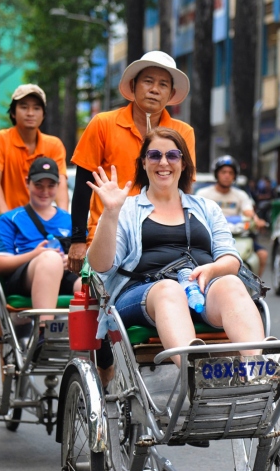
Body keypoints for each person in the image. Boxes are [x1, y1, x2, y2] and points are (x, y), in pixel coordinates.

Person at [86, 127, 265, 366]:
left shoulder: (207, 207)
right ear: (143, 163)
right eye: (154, 155)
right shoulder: (127, 209)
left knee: (231, 282)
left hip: (201, 290)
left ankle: (258, 368)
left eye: (172, 155)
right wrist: (109, 213)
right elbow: (101, 266)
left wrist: (211, 270)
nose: (163, 162)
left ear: (183, 163)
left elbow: (231, 259)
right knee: (168, 290)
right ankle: (193, 374)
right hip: (144, 294)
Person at [68, 51, 195, 273]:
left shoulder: (183, 132)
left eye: (163, 84)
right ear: (134, 85)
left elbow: (185, 189)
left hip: (161, 239)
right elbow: (82, 185)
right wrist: (78, 239)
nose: (154, 89)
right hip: (107, 238)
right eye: (148, 81)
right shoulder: (102, 124)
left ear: (171, 93)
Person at [0, 84, 67, 242]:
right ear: (13, 112)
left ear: (43, 114)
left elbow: (61, 185)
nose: (30, 113)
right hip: (0, 229)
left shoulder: (54, 145)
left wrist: (64, 222)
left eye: (36, 108)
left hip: (40, 230)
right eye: (24, 107)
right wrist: (8, 221)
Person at [0, 157, 81, 310]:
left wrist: (72, 260)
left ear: (58, 186)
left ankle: (90, 333)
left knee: (91, 284)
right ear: (27, 182)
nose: (45, 191)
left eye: (51, 186)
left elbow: (88, 254)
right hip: (24, 276)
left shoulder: (70, 220)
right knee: (50, 259)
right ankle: (44, 330)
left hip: (66, 274)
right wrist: (36, 254)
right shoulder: (10, 219)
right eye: (39, 185)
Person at [195, 155, 268, 276]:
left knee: (262, 255)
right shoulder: (203, 194)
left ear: (235, 176)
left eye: (230, 172)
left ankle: (255, 290)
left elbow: (248, 212)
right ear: (216, 174)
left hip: (238, 236)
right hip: (210, 238)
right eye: (223, 172)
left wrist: (257, 220)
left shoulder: (241, 195)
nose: (227, 175)